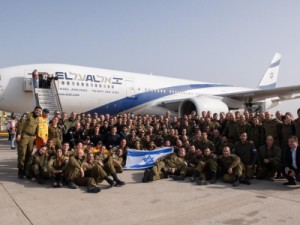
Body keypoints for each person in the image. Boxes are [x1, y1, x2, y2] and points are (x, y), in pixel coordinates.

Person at [16, 106, 42, 179]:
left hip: (32, 137)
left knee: (29, 154)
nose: (38, 112)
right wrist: (19, 134)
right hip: (24, 135)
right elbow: (21, 124)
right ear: (34, 110)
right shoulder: (27, 114)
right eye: (37, 110)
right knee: (22, 153)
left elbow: (38, 128)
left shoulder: (39, 118)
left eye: (39, 111)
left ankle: (26, 170)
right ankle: (20, 171)